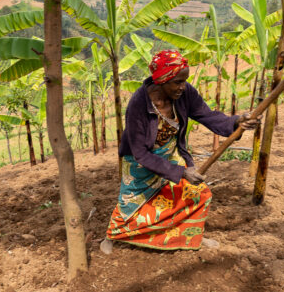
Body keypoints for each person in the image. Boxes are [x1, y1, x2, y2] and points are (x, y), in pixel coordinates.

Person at [100, 50, 261, 254]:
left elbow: (207, 115)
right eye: (177, 82)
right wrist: (181, 172)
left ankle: (191, 235)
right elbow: (140, 152)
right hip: (140, 163)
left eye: (184, 81)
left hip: (171, 153)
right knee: (131, 206)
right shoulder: (138, 105)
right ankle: (113, 234)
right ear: (161, 80)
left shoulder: (185, 93)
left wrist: (236, 121)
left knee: (198, 193)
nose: (182, 87)